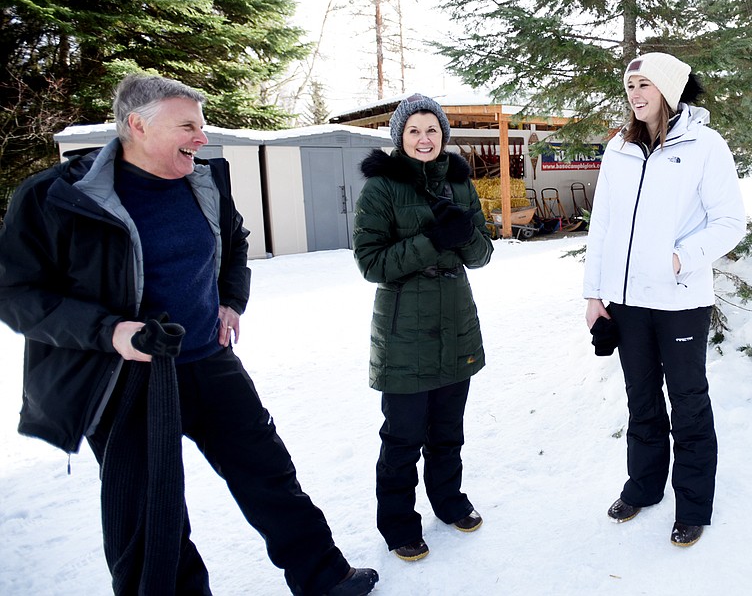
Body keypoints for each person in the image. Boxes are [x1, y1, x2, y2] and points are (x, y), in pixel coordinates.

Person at [0, 74, 378, 596]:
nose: (201, 138)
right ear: (137, 124)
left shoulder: (204, 182)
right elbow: (15, 293)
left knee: (268, 474)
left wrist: (230, 298)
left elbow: (236, 240)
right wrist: (110, 332)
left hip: (207, 360)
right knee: (152, 514)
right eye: (188, 126)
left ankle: (325, 577)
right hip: (124, 379)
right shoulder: (56, 197)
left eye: (201, 127)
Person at [582, 52, 747, 547]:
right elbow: (602, 226)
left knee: (688, 402)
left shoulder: (705, 145)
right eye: (630, 85)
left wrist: (680, 259)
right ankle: (643, 487)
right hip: (628, 302)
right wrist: (595, 293)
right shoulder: (618, 149)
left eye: (645, 84)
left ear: (669, 90)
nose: (635, 93)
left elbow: (729, 222)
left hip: (680, 301)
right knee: (642, 399)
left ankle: (693, 503)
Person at [352, 94, 493, 562]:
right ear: (400, 137)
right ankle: (398, 524)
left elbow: (482, 254)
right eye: (414, 130)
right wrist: (433, 240)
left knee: (448, 429)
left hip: (456, 321)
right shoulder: (382, 188)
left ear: (444, 136)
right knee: (403, 437)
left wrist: (465, 233)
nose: (424, 138)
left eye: (432, 129)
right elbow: (372, 263)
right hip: (403, 330)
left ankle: (449, 502)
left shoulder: (459, 182)